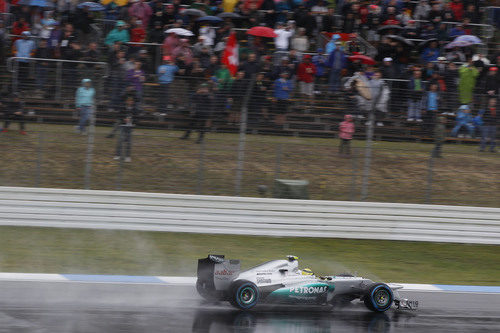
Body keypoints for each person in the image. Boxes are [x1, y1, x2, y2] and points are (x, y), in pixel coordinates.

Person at [114, 96, 138, 162]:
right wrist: (123, 119)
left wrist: (133, 121)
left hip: (130, 127)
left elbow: (137, 118)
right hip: (123, 126)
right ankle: (117, 155)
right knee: (120, 141)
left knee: (129, 142)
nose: (130, 102)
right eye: (128, 101)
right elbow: (118, 116)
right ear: (126, 101)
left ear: (132, 102)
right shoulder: (122, 108)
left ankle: (128, 156)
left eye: (131, 101)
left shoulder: (134, 109)